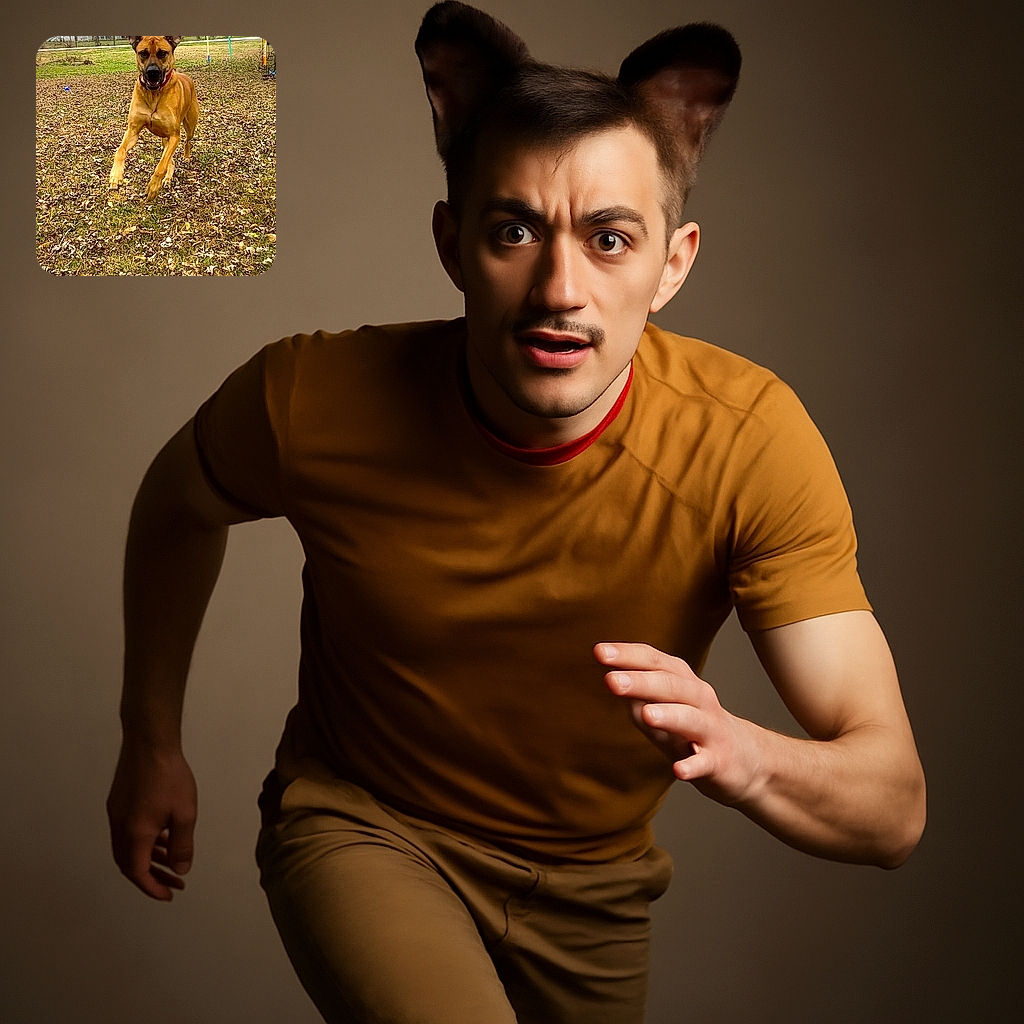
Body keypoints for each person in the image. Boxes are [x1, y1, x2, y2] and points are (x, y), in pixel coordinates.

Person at [107, 4, 926, 1022]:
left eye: (610, 238)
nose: (559, 288)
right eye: (513, 231)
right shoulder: (308, 398)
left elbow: (890, 806)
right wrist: (151, 738)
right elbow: (177, 503)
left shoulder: (749, 442)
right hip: (367, 824)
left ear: (672, 264)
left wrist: (746, 752)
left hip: (595, 892)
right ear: (453, 243)